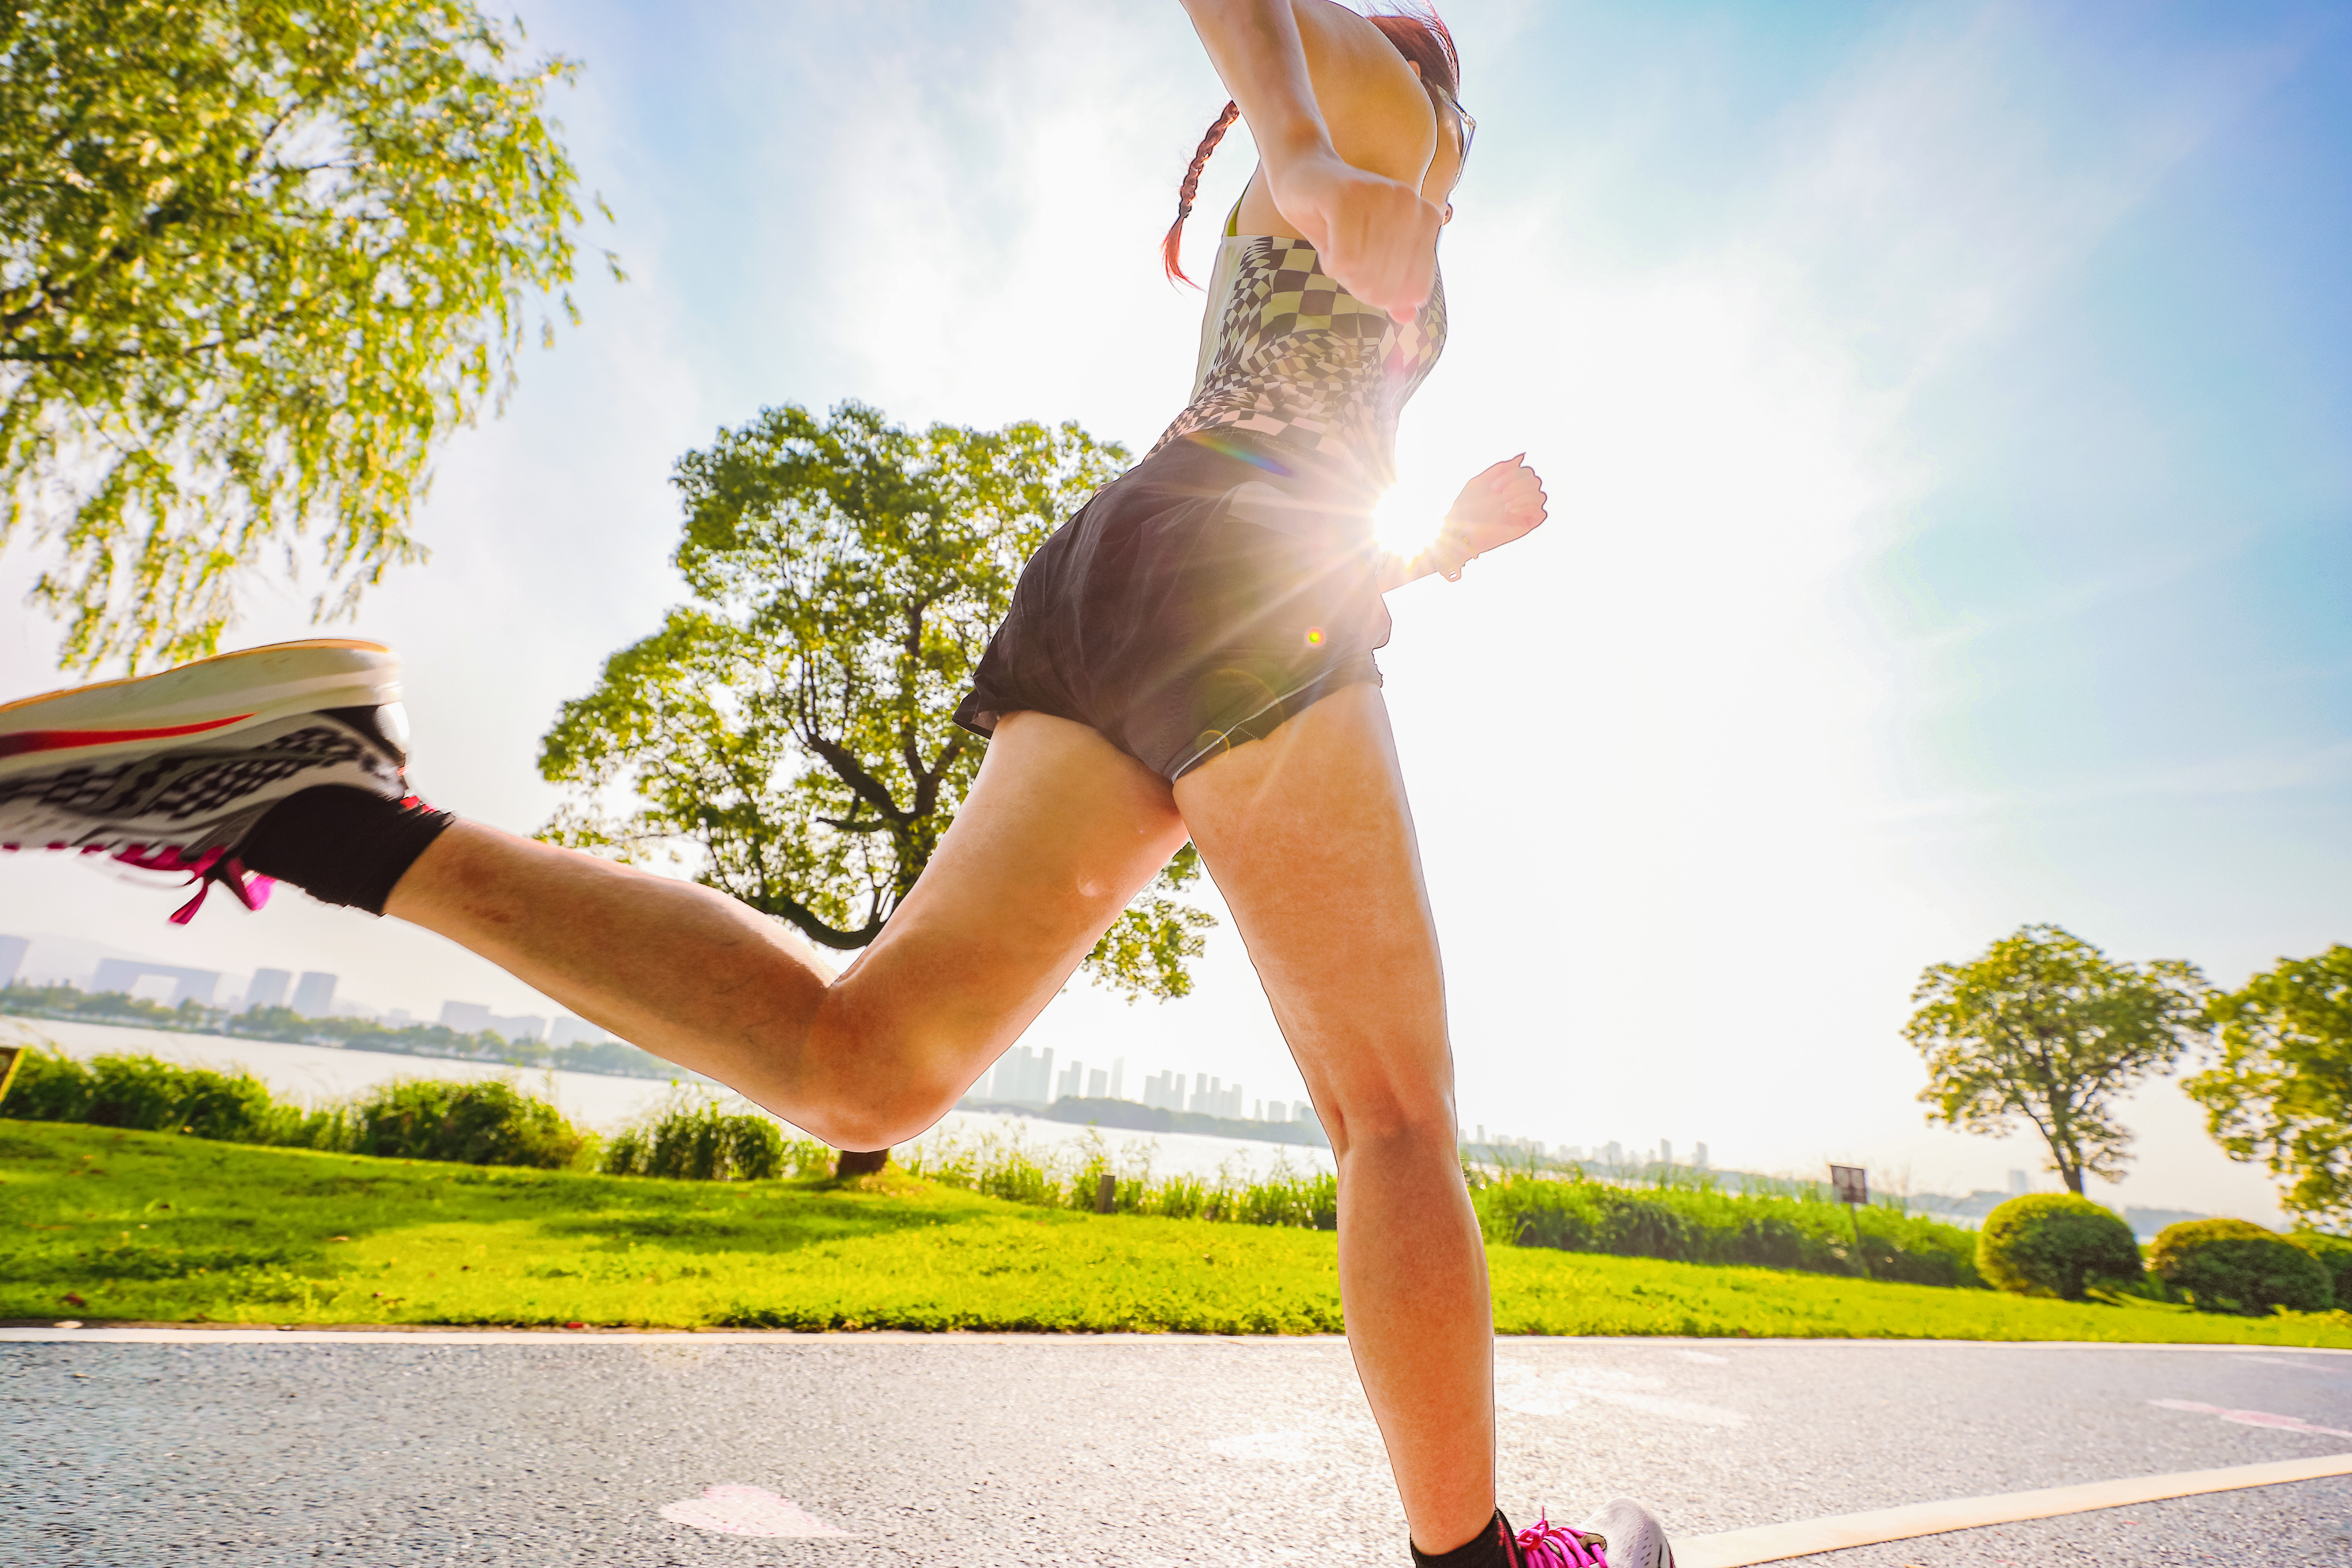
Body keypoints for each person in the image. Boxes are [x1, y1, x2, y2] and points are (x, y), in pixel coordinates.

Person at [0, 4, 1672, 1564]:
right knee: (1394, 1117)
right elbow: (1285, 438)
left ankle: (320, 810)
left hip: (1143, 568)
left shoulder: (1380, 164)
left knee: (865, 1067)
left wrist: (1442, 540)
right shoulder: (1394, 106)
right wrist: (1301, 148)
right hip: (1230, 568)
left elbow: (1292, 467)